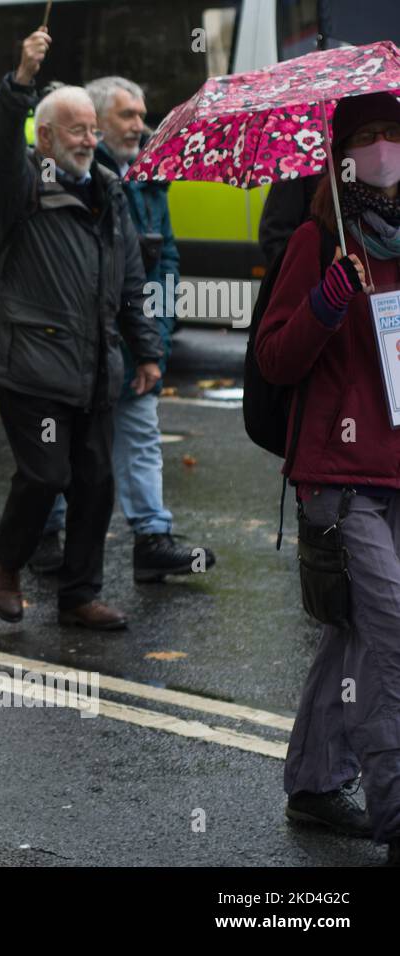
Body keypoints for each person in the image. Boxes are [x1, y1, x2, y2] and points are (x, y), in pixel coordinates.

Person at [0, 28, 162, 631]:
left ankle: (79, 595)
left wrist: (147, 350)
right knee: (47, 474)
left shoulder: (110, 193)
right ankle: (3, 559)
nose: (90, 139)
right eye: (77, 130)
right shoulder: (23, 186)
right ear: (47, 137)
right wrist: (21, 82)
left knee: (95, 483)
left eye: (92, 129)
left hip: (94, 368)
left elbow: (131, 281)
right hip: (32, 366)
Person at [257, 92, 400, 865]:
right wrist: (326, 300)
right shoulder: (320, 239)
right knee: (392, 638)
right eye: (368, 136)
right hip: (339, 476)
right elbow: (275, 358)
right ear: (340, 152)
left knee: (355, 631)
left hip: (396, 466)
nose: (384, 148)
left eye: (394, 134)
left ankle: (315, 783)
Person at [26, 77, 216, 583]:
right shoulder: (72, 178)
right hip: (80, 349)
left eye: (141, 113)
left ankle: (152, 538)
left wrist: (157, 330)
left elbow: (166, 256)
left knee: (141, 436)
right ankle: (47, 533)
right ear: (94, 121)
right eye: (127, 115)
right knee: (63, 447)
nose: (140, 124)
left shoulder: (150, 178)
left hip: (134, 341)